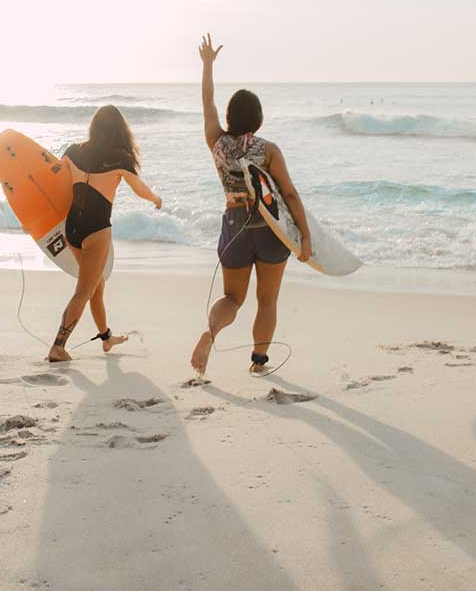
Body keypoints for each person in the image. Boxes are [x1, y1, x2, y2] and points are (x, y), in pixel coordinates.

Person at [190, 34, 311, 376]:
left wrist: (208, 65)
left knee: (232, 298)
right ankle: (259, 362)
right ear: (258, 118)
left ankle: (211, 333)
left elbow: (207, 103)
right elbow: (288, 194)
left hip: (234, 226)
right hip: (270, 230)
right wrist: (306, 236)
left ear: (229, 117)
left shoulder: (217, 142)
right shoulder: (268, 149)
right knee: (267, 300)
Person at [47, 105, 162, 362]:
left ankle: (106, 338)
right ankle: (58, 346)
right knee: (83, 291)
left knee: (96, 286)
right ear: (120, 130)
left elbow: (51, 175)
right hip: (96, 231)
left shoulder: (73, 151)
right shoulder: (119, 158)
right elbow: (139, 188)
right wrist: (156, 199)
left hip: (72, 229)